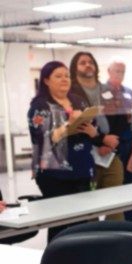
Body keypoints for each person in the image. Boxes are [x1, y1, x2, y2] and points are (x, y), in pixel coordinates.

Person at [27, 61, 98, 241]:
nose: (64, 79)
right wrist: (68, 125)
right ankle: (57, 263)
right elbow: (41, 137)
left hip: (81, 168)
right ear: (46, 81)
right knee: (61, 223)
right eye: (58, 76)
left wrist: (92, 131)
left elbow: (92, 126)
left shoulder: (78, 100)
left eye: (66, 75)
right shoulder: (40, 106)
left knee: (83, 221)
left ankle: (81, 261)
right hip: (54, 172)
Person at [70, 52, 126, 221]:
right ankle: (93, 244)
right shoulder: (71, 94)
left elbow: (121, 118)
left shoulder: (107, 90)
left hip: (110, 153)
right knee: (89, 209)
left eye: (90, 62)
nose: (88, 65)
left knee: (115, 205)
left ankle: (116, 243)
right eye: (82, 63)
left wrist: (109, 142)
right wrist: (99, 139)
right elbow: (78, 126)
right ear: (75, 68)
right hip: (86, 155)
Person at [105, 60, 132, 225]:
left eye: (122, 71)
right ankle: (117, 218)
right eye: (116, 71)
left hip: (130, 140)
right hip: (113, 142)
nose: (119, 74)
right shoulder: (102, 91)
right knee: (116, 181)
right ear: (109, 71)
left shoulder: (129, 92)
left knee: (131, 179)